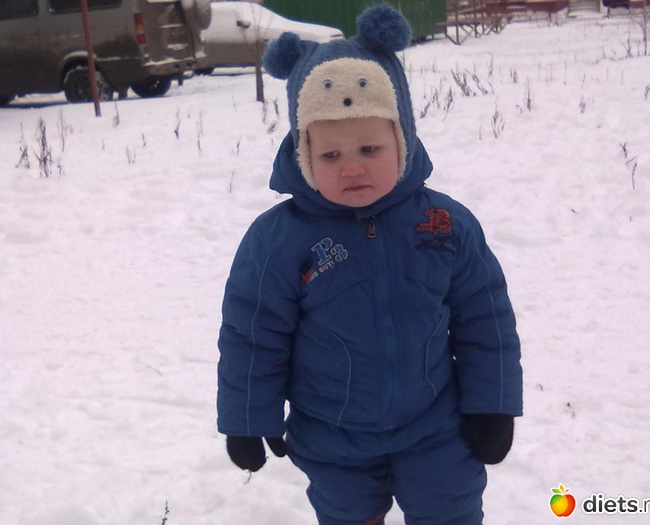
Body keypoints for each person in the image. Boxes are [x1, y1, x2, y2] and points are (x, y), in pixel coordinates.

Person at [216, 5, 523, 525]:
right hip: (332, 438)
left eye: (369, 148)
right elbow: (253, 334)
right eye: (330, 155)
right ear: (302, 155)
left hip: (437, 429)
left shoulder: (444, 224)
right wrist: (247, 417)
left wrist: (493, 403)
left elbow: (485, 319)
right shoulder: (278, 240)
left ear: (402, 140)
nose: (352, 167)